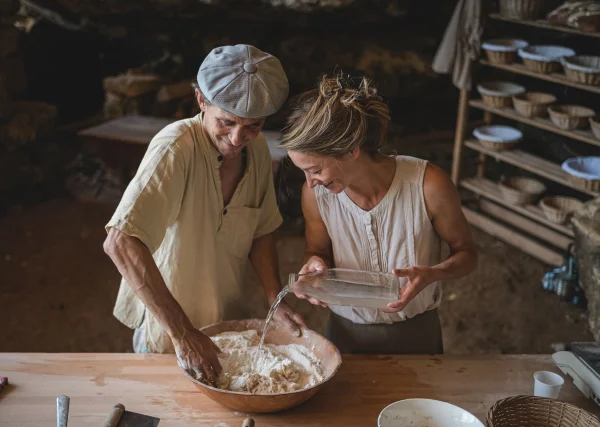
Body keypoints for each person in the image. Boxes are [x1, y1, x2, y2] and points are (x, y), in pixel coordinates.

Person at [104, 45, 305, 383]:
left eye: (252, 126)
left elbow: (261, 228)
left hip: (224, 319)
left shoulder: (255, 151)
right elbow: (121, 243)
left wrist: (274, 298)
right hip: (168, 331)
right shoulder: (175, 149)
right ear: (200, 100)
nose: (237, 138)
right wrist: (183, 335)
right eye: (226, 122)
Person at [279, 74, 477, 354]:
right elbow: (317, 249)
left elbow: (468, 255)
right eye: (303, 172)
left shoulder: (428, 185)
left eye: (316, 170)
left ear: (351, 151)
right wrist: (313, 264)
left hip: (416, 332)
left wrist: (432, 274)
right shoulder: (315, 195)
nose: (310, 182)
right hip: (344, 333)